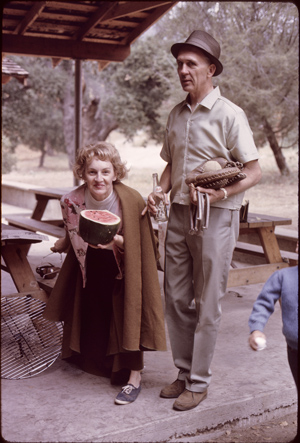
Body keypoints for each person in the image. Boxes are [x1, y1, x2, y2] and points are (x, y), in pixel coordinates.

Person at [143, 30, 262, 411]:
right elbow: (170, 164)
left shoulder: (230, 114)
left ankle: (200, 381)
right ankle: (183, 372)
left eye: (191, 63)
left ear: (211, 69)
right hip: (178, 213)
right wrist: (161, 189)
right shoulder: (176, 114)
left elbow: (254, 171)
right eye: (179, 63)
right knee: (175, 297)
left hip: (216, 215)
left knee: (207, 300)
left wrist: (222, 194)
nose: (183, 70)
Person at [43, 142, 166, 405]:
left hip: (124, 262)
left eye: (105, 172)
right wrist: (63, 244)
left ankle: (135, 377)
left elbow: (146, 245)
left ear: (115, 173)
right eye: (92, 172)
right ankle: (102, 363)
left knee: (129, 314)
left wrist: (117, 242)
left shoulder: (131, 200)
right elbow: (72, 228)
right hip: (90, 262)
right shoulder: (70, 201)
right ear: (82, 173)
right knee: (96, 310)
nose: (99, 179)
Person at [248, 265, 298, 388]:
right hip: (295, 350)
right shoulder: (283, 276)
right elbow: (263, 304)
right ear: (297, 246)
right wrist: (257, 328)